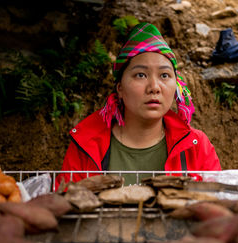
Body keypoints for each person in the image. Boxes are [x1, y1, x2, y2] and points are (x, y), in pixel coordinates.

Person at [55, 22, 221, 190]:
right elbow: (65, 206)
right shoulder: (86, 144)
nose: (154, 87)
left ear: (176, 86)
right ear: (119, 88)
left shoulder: (196, 145)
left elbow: (216, 203)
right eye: (140, 75)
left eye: (164, 75)